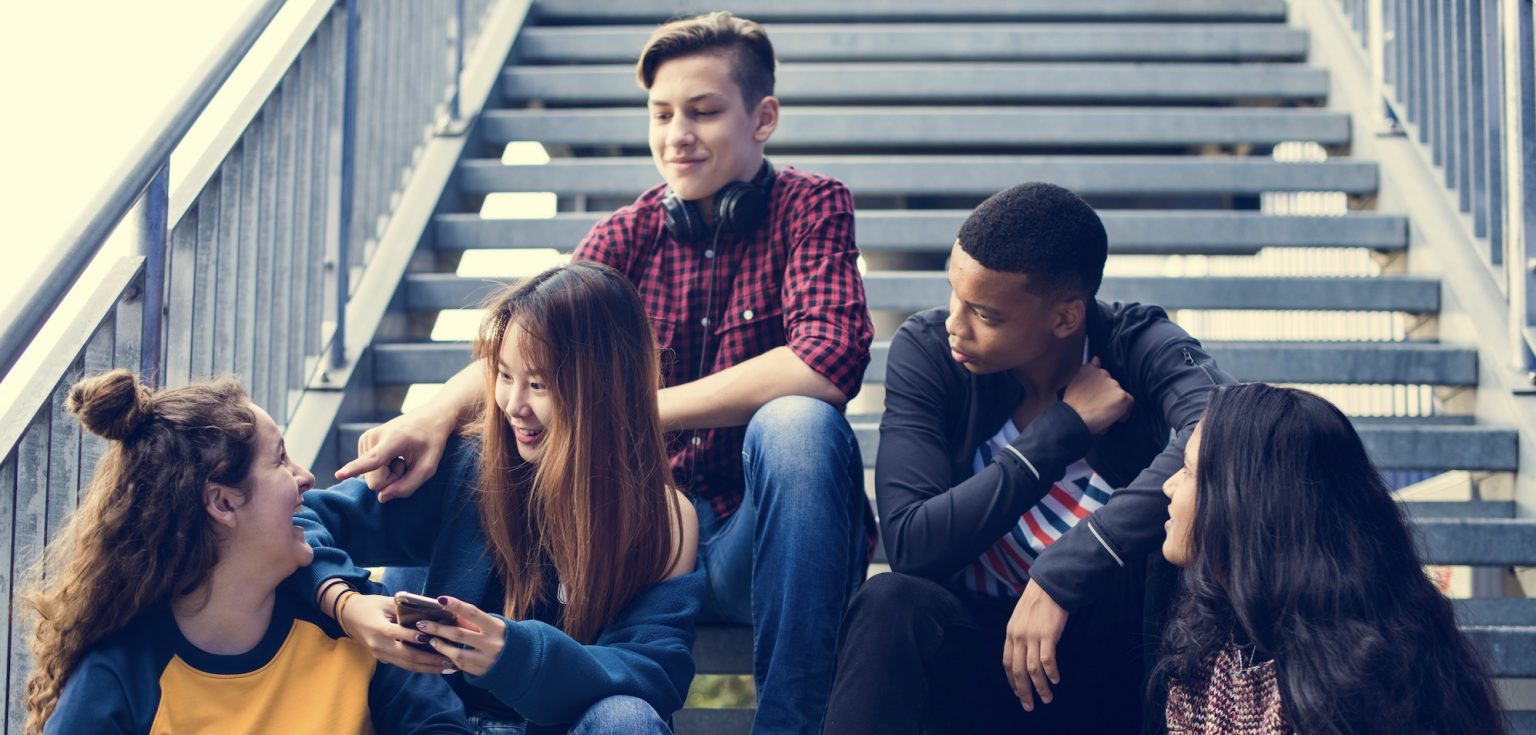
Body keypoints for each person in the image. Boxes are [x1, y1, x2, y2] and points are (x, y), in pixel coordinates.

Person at [331, 12, 874, 734]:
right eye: (661, 113)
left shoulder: (812, 205)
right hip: (637, 546)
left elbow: (827, 359)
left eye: (704, 111)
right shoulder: (629, 230)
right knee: (444, 507)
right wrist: (431, 416)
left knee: (801, 420)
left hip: (762, 545)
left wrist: (628, 406)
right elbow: (532, 338)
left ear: (763, 117)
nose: (677, 132)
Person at [823, 182, 1234, 734]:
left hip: (1107, 663)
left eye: (985, 314)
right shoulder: (930, 352)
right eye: (954, 295)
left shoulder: (1136, 345)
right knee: (889, 603)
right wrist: (1060, 429)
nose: (954, 323)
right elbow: (912, 545)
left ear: (1065, 318)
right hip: (976, 660)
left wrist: (1062, 572)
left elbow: (1222, 428)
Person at [293, 263, 703, 734]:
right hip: (438, 722)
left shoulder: (664, 518)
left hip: (557, 726)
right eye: (505, 376)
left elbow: (654, 673)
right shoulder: (464, 466)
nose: (512, 404)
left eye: (538, 384)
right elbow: (296, 517)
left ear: (605, 388)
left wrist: (516, 656)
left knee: (626, 720)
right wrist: (344, 602)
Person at [22, 371, 471, 735]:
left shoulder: (356, 622)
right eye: (280, 460)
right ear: (222, 503)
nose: (305, 477)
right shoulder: (121, 674)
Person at [1158, 383, 1505, 735]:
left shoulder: (1367, 682)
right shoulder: (1210, 645)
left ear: (1243, 501)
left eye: (1187, 471)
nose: (1168, 486)